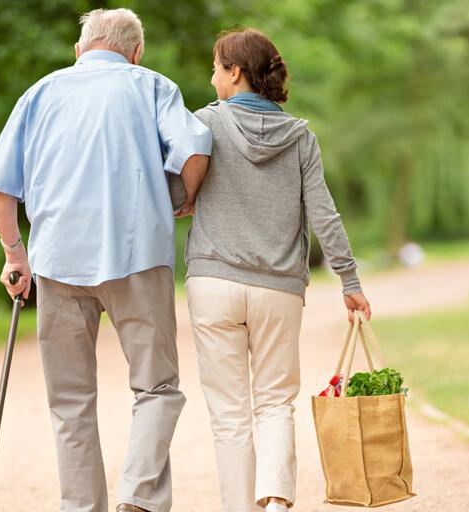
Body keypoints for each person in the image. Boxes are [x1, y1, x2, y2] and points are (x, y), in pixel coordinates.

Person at [0, 8, 211, 512]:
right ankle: (140, 498)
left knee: (70, 404)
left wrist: (15, 256)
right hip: (138, 257)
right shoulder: (152, 85)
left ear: (80, 49)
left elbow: (1, 188)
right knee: (157, 388)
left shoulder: (39, 93)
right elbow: (197, 146)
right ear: (135, 51)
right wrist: (183, 198)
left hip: (58, 261)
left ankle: (83, 508)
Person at [180, 28, 371, 512]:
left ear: (236, 73)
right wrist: (349, 281)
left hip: (213, 282)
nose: (212, 76)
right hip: (279, 290)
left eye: (217, 67)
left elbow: (178, 194)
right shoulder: (300, 136)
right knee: (274, 403)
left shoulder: (203, 125)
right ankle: (277, 501)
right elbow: (324, 214)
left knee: (229, 415)